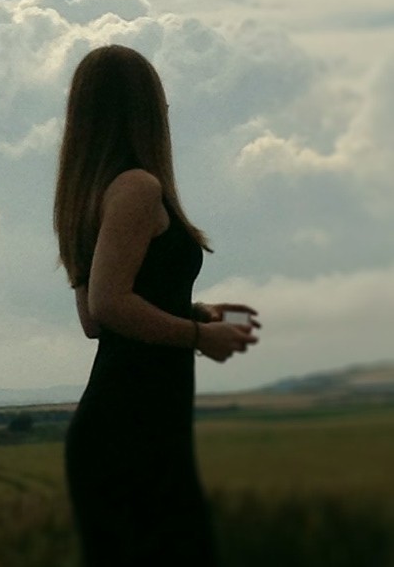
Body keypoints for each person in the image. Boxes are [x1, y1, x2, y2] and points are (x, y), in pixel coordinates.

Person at [53, 45, 260, 566]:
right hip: (136, 431)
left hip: (126, 427)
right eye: (159, 100)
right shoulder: (138, 188)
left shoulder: (91, 194)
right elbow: (107, 305)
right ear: (143, 110)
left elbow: (97, 319)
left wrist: (198, 313)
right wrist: (200, 337)